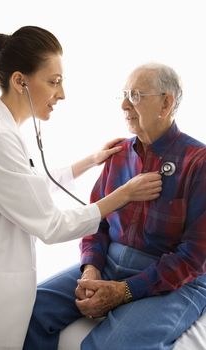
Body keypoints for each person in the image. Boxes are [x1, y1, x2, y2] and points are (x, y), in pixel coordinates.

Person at [0, 27, 162, 350]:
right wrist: (123, 195)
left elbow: (28, 188)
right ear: (20, 81)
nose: (61, 95)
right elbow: (51, 224)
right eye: (54, 81)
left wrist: (90, 161)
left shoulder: (2, 129)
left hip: (7, 285)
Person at [23, 62, 206, 350]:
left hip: (176, 278)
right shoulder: (119, 154)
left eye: (134, 96)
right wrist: (91, 268)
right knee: (28, 312)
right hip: (110, 262)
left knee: (112, 345)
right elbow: (97, 222)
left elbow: (194, 258)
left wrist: (126, 291)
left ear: (166, 103)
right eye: (124, 94)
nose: (123, 104)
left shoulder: (199, 162)